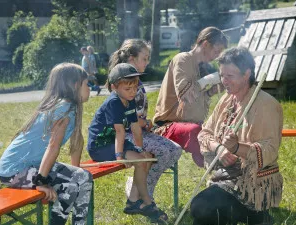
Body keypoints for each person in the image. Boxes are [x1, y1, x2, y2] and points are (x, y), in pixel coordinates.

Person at [190, 47, 283, 225]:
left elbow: (270, 150)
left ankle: (255, 215)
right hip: (226, 176)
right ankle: (250, 217)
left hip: (253, 181)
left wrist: (237, 147)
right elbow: (205, 132)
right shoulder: (227, 99)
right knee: (201, 209)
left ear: (246, 73)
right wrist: (219, 149)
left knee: (202, 208)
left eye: (230, 76)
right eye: (222, 75)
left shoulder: (266, 105)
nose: (224, 81)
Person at [0, 63, 92, 225]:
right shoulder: (63, 109)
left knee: (83, 177)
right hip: (14, 171)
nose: (89, 88)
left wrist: (76, 170)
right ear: (76, 86)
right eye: (86, 84)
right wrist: (41, 182)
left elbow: (77, 141)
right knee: (70, 186)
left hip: (33, 168)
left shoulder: (71, 107)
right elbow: (53, 147)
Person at [87, 63, 168, 223]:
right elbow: (119, 131)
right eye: (128, 89)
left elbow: (136, 128)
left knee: (147, 157)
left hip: (117, 142)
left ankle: (132, 201)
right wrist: (119, 156)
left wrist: (139, 148)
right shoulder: (114, 102)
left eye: (135, 87)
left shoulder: (129, 101)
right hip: (100, 145)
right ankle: (147, 202)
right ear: (114, 87)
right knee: (140, 160)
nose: (132, 92)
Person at [108, 38, 182, 201]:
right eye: (144, 58)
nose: (147, 62)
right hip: (126, 136)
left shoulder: (137, 82)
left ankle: (139, 189)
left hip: (140, 132)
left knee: (175, 150)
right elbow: (125, 120)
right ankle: (142, 196)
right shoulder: (123, 84)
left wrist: (145, 124)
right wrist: (146, 123)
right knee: (162, 151)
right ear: (131, 59)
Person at [153, 26, 228, 168]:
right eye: (216, 51)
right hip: (167, 126)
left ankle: (218, 171)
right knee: (197, 132)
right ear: (205, 44)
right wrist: (207, 80)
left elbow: (197, 99)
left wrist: (212, 91)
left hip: (187, 125)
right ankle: (217, 169)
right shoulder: (183, 59)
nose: (217, 56)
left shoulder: (200, 66)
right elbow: (185, 95)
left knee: (217, 132)